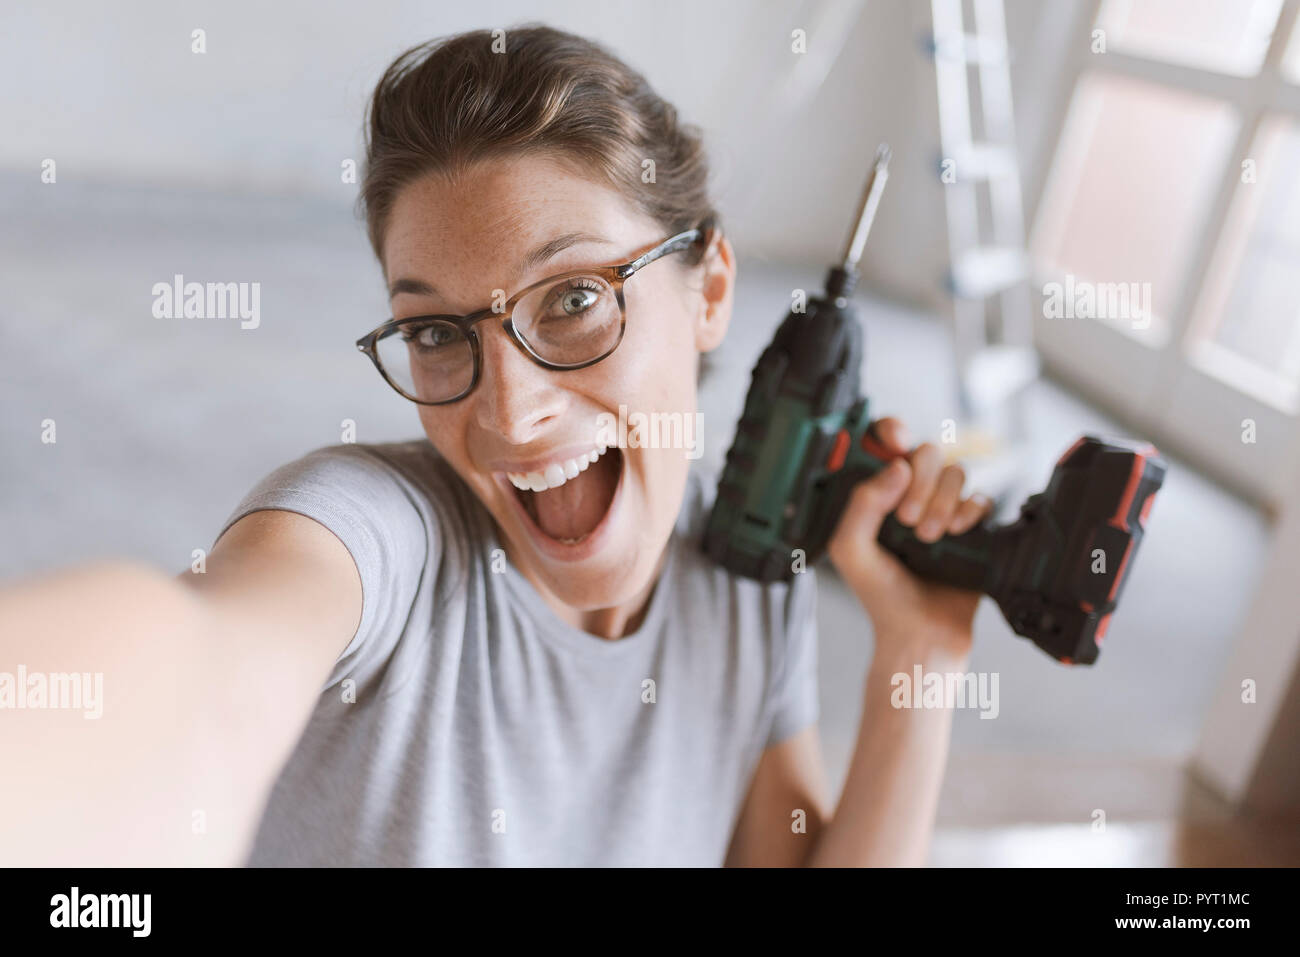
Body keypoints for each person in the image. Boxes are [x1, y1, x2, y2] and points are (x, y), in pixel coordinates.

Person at [0, 25, 991, 867]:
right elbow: (203, 661)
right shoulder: (370, 537)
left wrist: (920, 655)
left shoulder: (744, 579)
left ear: (711, 291)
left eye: (573, 300)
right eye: (437, 333)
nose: (508, 415)